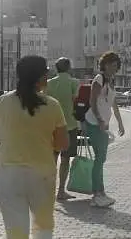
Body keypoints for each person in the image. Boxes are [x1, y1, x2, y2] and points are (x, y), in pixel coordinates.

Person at [0, 55, 69, 239]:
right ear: (41, 77)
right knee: (43, 226)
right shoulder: (53, 105)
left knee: (16, 231)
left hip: (8, 174)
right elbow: (62, 144)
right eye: (46, 72)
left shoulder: (3, 101)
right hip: (42, 174)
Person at [85, 51, 125, 208]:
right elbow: (92, 101)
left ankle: (100, 192)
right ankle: (97, 194)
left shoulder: (111, 80)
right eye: (113, 65)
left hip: (103, 124)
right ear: (105, 64)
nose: (115, 68)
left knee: (101, 159)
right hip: (95, 123)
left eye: (117, 65)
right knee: (100, 158)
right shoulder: (99, 79)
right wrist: (100, 119)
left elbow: (113, 104)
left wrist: (120, 123)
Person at [45, 57, 80, 201]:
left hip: (52, 126)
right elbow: (76, 101)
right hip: (69, 125)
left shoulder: (49, 84)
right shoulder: (74, 82)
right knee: (65, 160)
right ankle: (60, 191)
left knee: (52, 159)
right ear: (69, 68)